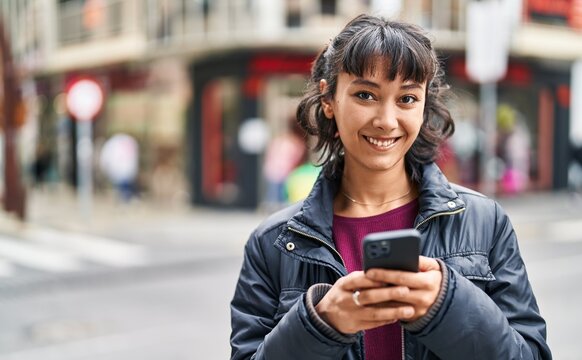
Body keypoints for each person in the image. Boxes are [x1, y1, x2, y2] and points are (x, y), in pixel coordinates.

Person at [230, 14, 551, 360]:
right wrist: (323, 322)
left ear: (424, 104)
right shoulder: (273, 244)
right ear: (328, 100)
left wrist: (449, 304)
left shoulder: (485, 222)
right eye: (366, 95)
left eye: (407, 99)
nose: (386, 121)